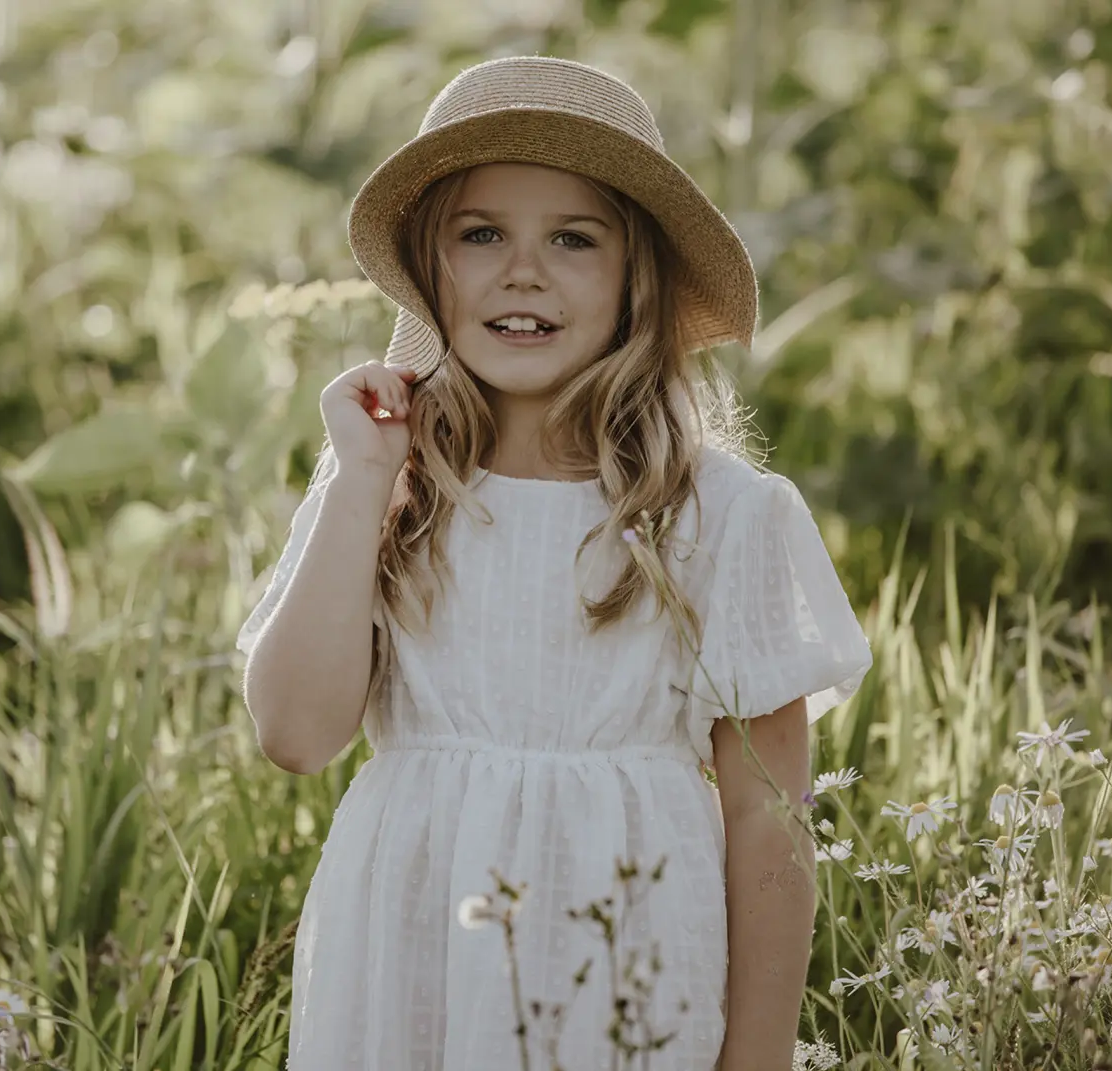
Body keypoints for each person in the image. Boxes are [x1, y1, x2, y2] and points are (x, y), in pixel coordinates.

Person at [236, 55, 873, 1071]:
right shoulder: (387, 487)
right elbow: (296, 734)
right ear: (426, 268)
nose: (521, 271)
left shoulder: (720, 515)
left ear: (637, 281)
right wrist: (362, 480)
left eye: (573, 239)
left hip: (626, 969)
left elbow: (767, 817)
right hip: (409, 972)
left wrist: (757, 1060)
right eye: (480, 234)